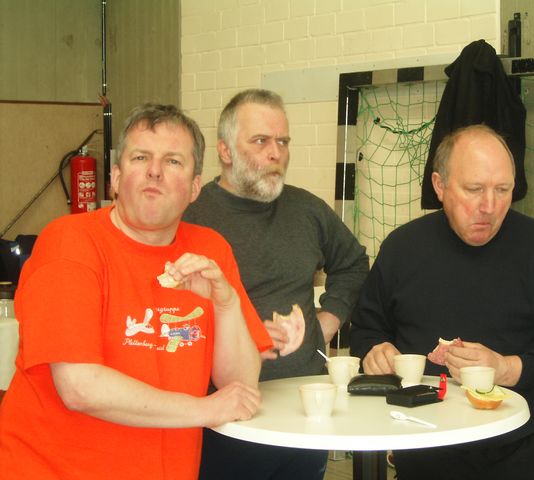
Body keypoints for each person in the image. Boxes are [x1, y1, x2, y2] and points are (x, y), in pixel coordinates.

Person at [0, 104, 273, 480]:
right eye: (141, 157)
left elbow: (239, 388)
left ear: (195, 187)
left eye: (173, 161)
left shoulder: (209, 250)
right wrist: (205, 409)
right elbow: (79, 387)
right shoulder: (70, 244)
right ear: (115, 177)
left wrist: (226, 304)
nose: (154, 171)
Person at [350, 124, 534, 479]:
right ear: (439, 186)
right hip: (422, 450)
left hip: (517, 455)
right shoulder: (401, 249)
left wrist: (507, 368)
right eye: (474, 189)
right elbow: (366, 330)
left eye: (503, 189)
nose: (489, 206)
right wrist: (374, 350)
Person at [183, 89, 369, 480]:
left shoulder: (307, 209)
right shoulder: (191, 215)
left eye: (283, 142)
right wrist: (240, 338)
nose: (276, 154)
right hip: (222, 417)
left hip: (303, 406)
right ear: (225, 151)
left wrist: (327, 321)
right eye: (261, 141)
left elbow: (353, 264)